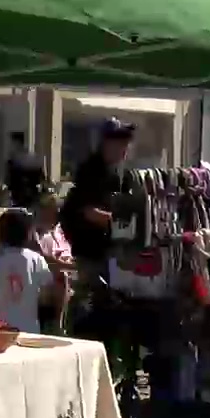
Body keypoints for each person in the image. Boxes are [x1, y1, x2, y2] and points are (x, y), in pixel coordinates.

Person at [61, 117, 135, 320]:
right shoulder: (91, 170)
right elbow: (89, 211)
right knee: (89, 306)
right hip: (89, 252)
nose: (125, 147)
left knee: (112, 307)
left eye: (127, 142)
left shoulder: (122, 173)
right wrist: (123, 224)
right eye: (120, 141)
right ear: (106, 143)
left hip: (109, 251)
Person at [0, 210, 57, 333]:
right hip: (29, 326)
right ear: (28, 233)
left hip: (0, 325)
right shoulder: (37, 259)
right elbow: (47, 291)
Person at [31, 191, 72, 334]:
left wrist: (67, 260)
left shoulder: (56, 232)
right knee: (62, 276)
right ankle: (58, 324)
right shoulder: (33, 232)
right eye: (53, 211)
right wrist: (70, 266)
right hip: (35, 276)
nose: (56, 215)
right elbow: (44, 258)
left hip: (53, 275)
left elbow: (64, 251)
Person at [4, 131, 46, 208]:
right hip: (31, 200)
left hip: (19, 200)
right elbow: (41, 179)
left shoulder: (13, 162)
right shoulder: (32, 160)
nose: (9, 146)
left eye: (11, 143)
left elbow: (8, 182)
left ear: (16, 143)